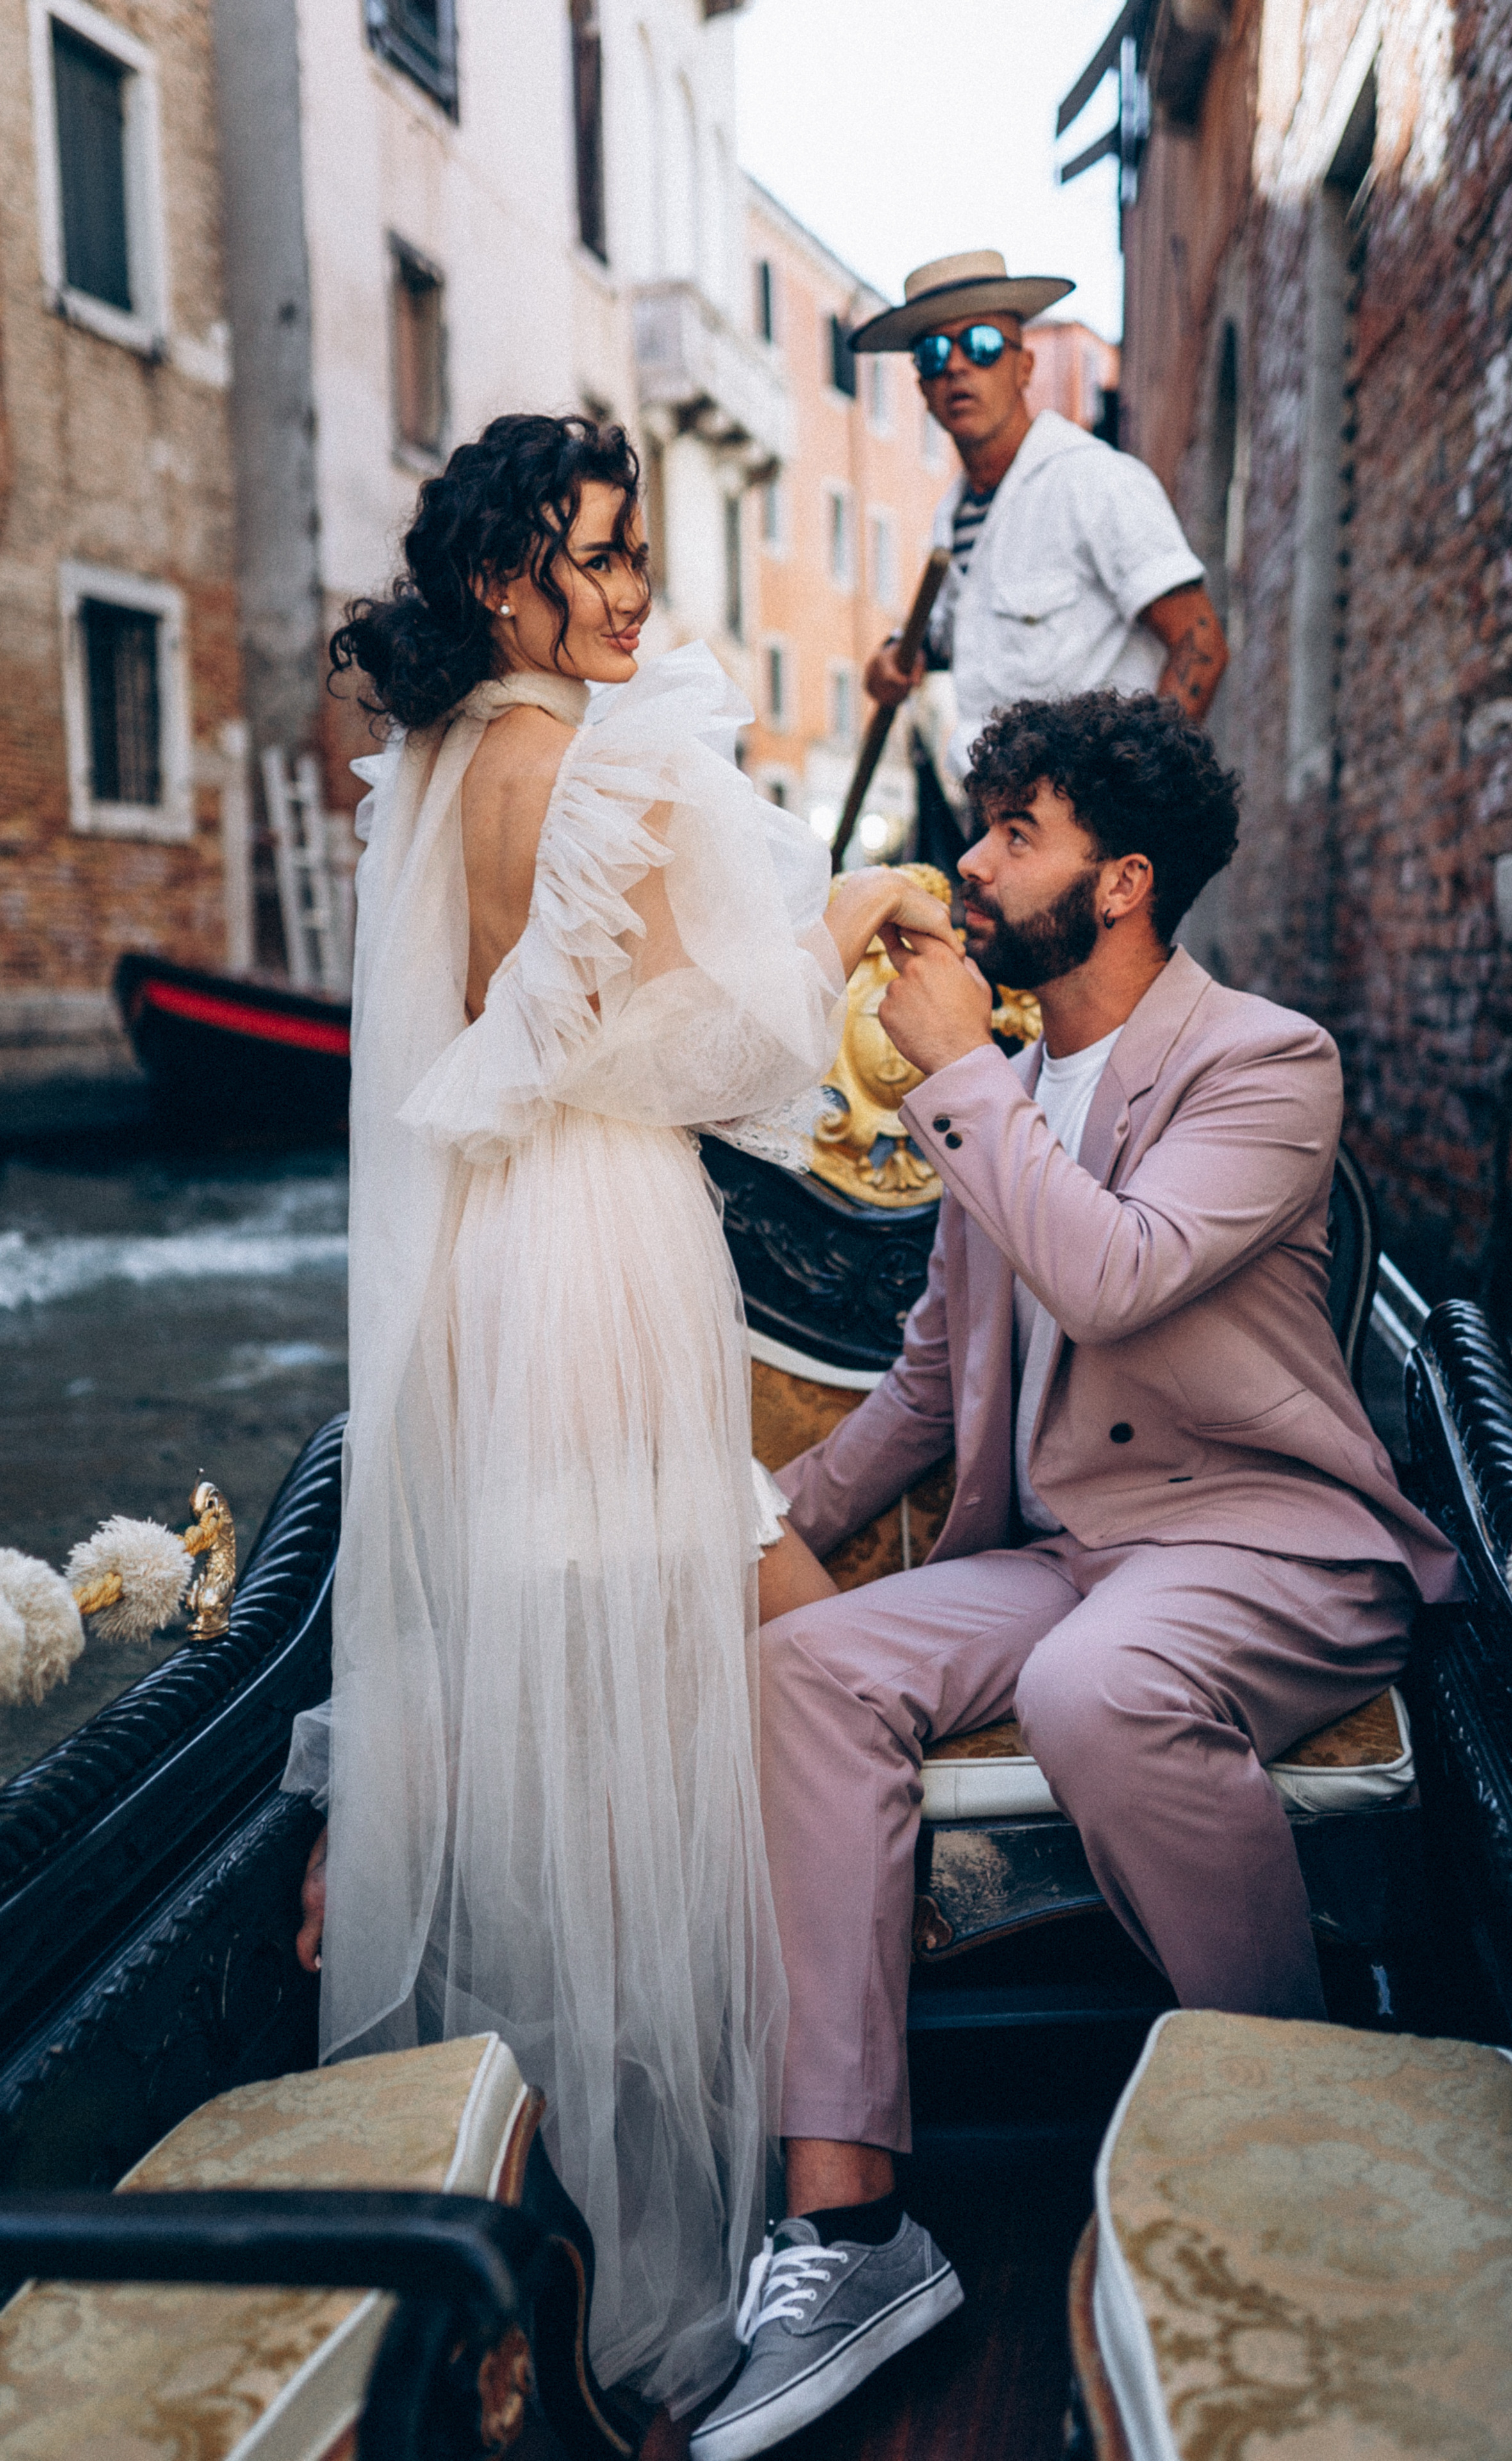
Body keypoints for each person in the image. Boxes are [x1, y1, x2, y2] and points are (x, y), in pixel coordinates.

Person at [689, 689, 1460, 2458]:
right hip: (1075, 1551)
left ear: (1120, 883)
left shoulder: (1265, 1061)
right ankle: (850, 2228)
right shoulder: (1016, 1087)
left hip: (1264, 1538)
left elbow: (1115, 1272)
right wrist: (751, 1515)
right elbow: (934, 1383)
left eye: (1013, 833)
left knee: (1092, 1687)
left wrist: (958, 1074)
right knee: (808, 1662)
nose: (970, 864)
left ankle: (1283, 2115)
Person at [281, 413, 957, 2420]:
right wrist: (849, 915)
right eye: (599, 554)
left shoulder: (449, 758)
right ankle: (725, 2232)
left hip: (514, 1259)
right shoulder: (569, 759)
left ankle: (626, 2206)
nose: (636, 588)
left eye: (637, 550)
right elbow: (706, 1047)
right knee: (711, 1678)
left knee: (604, 1698)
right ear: (509, 584)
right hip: (593, 1261)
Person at [851, 250, 1228, 823]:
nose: (956, 367)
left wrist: (1128, 806)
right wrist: (891, 658)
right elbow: (948, 635)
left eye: (981, 345)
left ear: (1024, 367)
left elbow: (1201, 645)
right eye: (933, 354)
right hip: (994, 824)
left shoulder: (1095, 481)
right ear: (922, 387)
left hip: (1090, 828)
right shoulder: (954, 514)